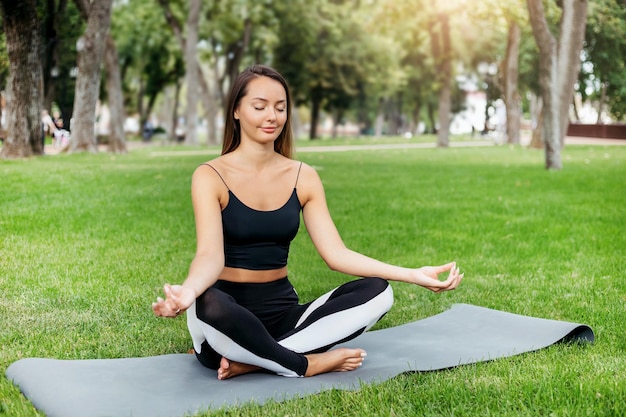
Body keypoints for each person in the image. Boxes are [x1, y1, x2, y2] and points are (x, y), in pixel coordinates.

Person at [152, 65, 463, 380]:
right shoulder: (209, 176)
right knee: (209, 301)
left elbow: (336, 254)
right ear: (236, 110)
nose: (271, 116)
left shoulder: (303, 176)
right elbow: (209, 256)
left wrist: (412, 275)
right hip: (225, 319)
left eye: (280, 107)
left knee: (379, 292)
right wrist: (189, 292)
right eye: (259, 107)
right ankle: (304, 363)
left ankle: (258, 360)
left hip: (283, 315)